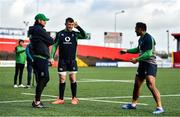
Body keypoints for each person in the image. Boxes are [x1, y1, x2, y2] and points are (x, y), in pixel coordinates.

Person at [120, 22, 164, 114]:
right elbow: (138, 49)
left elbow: (149, 53)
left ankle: (159, 107)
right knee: (137, 85)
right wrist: (126, 51)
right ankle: (133, 104)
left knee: (150, 84)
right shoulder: (141, 39)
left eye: (136, 28)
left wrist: (136, 59)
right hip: (142, 64)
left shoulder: (148, 38)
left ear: (140, 29)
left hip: (150, 64)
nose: (135, 30)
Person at [50, 17, 87, 105]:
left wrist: (78, 27)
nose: (70, 26)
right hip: (62, 60)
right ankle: (61, 99)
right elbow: (55, 46)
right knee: (62, 79)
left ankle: (74, 98)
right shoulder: (60, 34)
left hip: (72, 60)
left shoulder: (76, 34)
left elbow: (85, 35)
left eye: (72, 24)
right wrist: (51, 57)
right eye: (69, 24)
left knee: (72, 78)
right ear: (65, 24)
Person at [29, 13, 54, 108]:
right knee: (44, 78)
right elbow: (51, 41)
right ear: (39, 20)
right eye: (44, 20)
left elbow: (48, 41)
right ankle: (37, 101)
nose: (45, 22)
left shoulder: (35, 30)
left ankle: (36, 101)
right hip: (40, 58)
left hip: (39, 58)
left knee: (43, 79)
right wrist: (47, 40)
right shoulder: (39, 29)